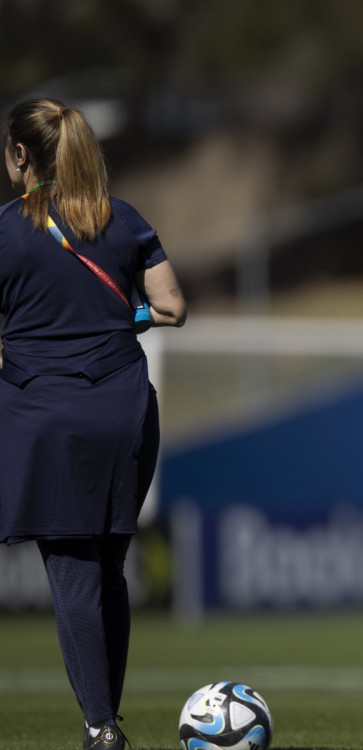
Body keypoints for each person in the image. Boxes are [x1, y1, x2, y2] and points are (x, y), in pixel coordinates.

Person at [0, 98, 187, 750]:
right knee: (108, 568)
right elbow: (171, 307)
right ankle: (105, 720)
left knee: (75, 573)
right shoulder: (122, 218)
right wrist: (117, 320)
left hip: (49, 418)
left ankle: (101, 728)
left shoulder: (4, 229)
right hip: (127, 412)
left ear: (22, 154)